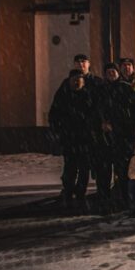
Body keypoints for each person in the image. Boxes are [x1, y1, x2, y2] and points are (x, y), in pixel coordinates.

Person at [48, 69, 95, 210]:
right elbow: (54, 114)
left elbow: (94, 114)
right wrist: (57, 130)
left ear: (83, 82)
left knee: (84, 167)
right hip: (69, 138)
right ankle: (68, 191)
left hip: (85, 138)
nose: (77, 82)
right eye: (74, 79)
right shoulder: (63, 95)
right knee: (70, 166)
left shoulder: (88, 95)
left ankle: (80, 192)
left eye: (79, 80)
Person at [95, 62, 135, 212]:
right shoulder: (100, 90)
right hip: (105, 137)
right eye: (108, 72)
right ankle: (104, 199)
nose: (111, 74)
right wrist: (102, 123)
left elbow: (133, 111)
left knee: (123, 170)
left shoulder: (126, 88)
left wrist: (120, 125)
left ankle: (124, 198)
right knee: (104, 171)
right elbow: (96, 110)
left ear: (118, 73)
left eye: (113, 71)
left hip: (122, 136)